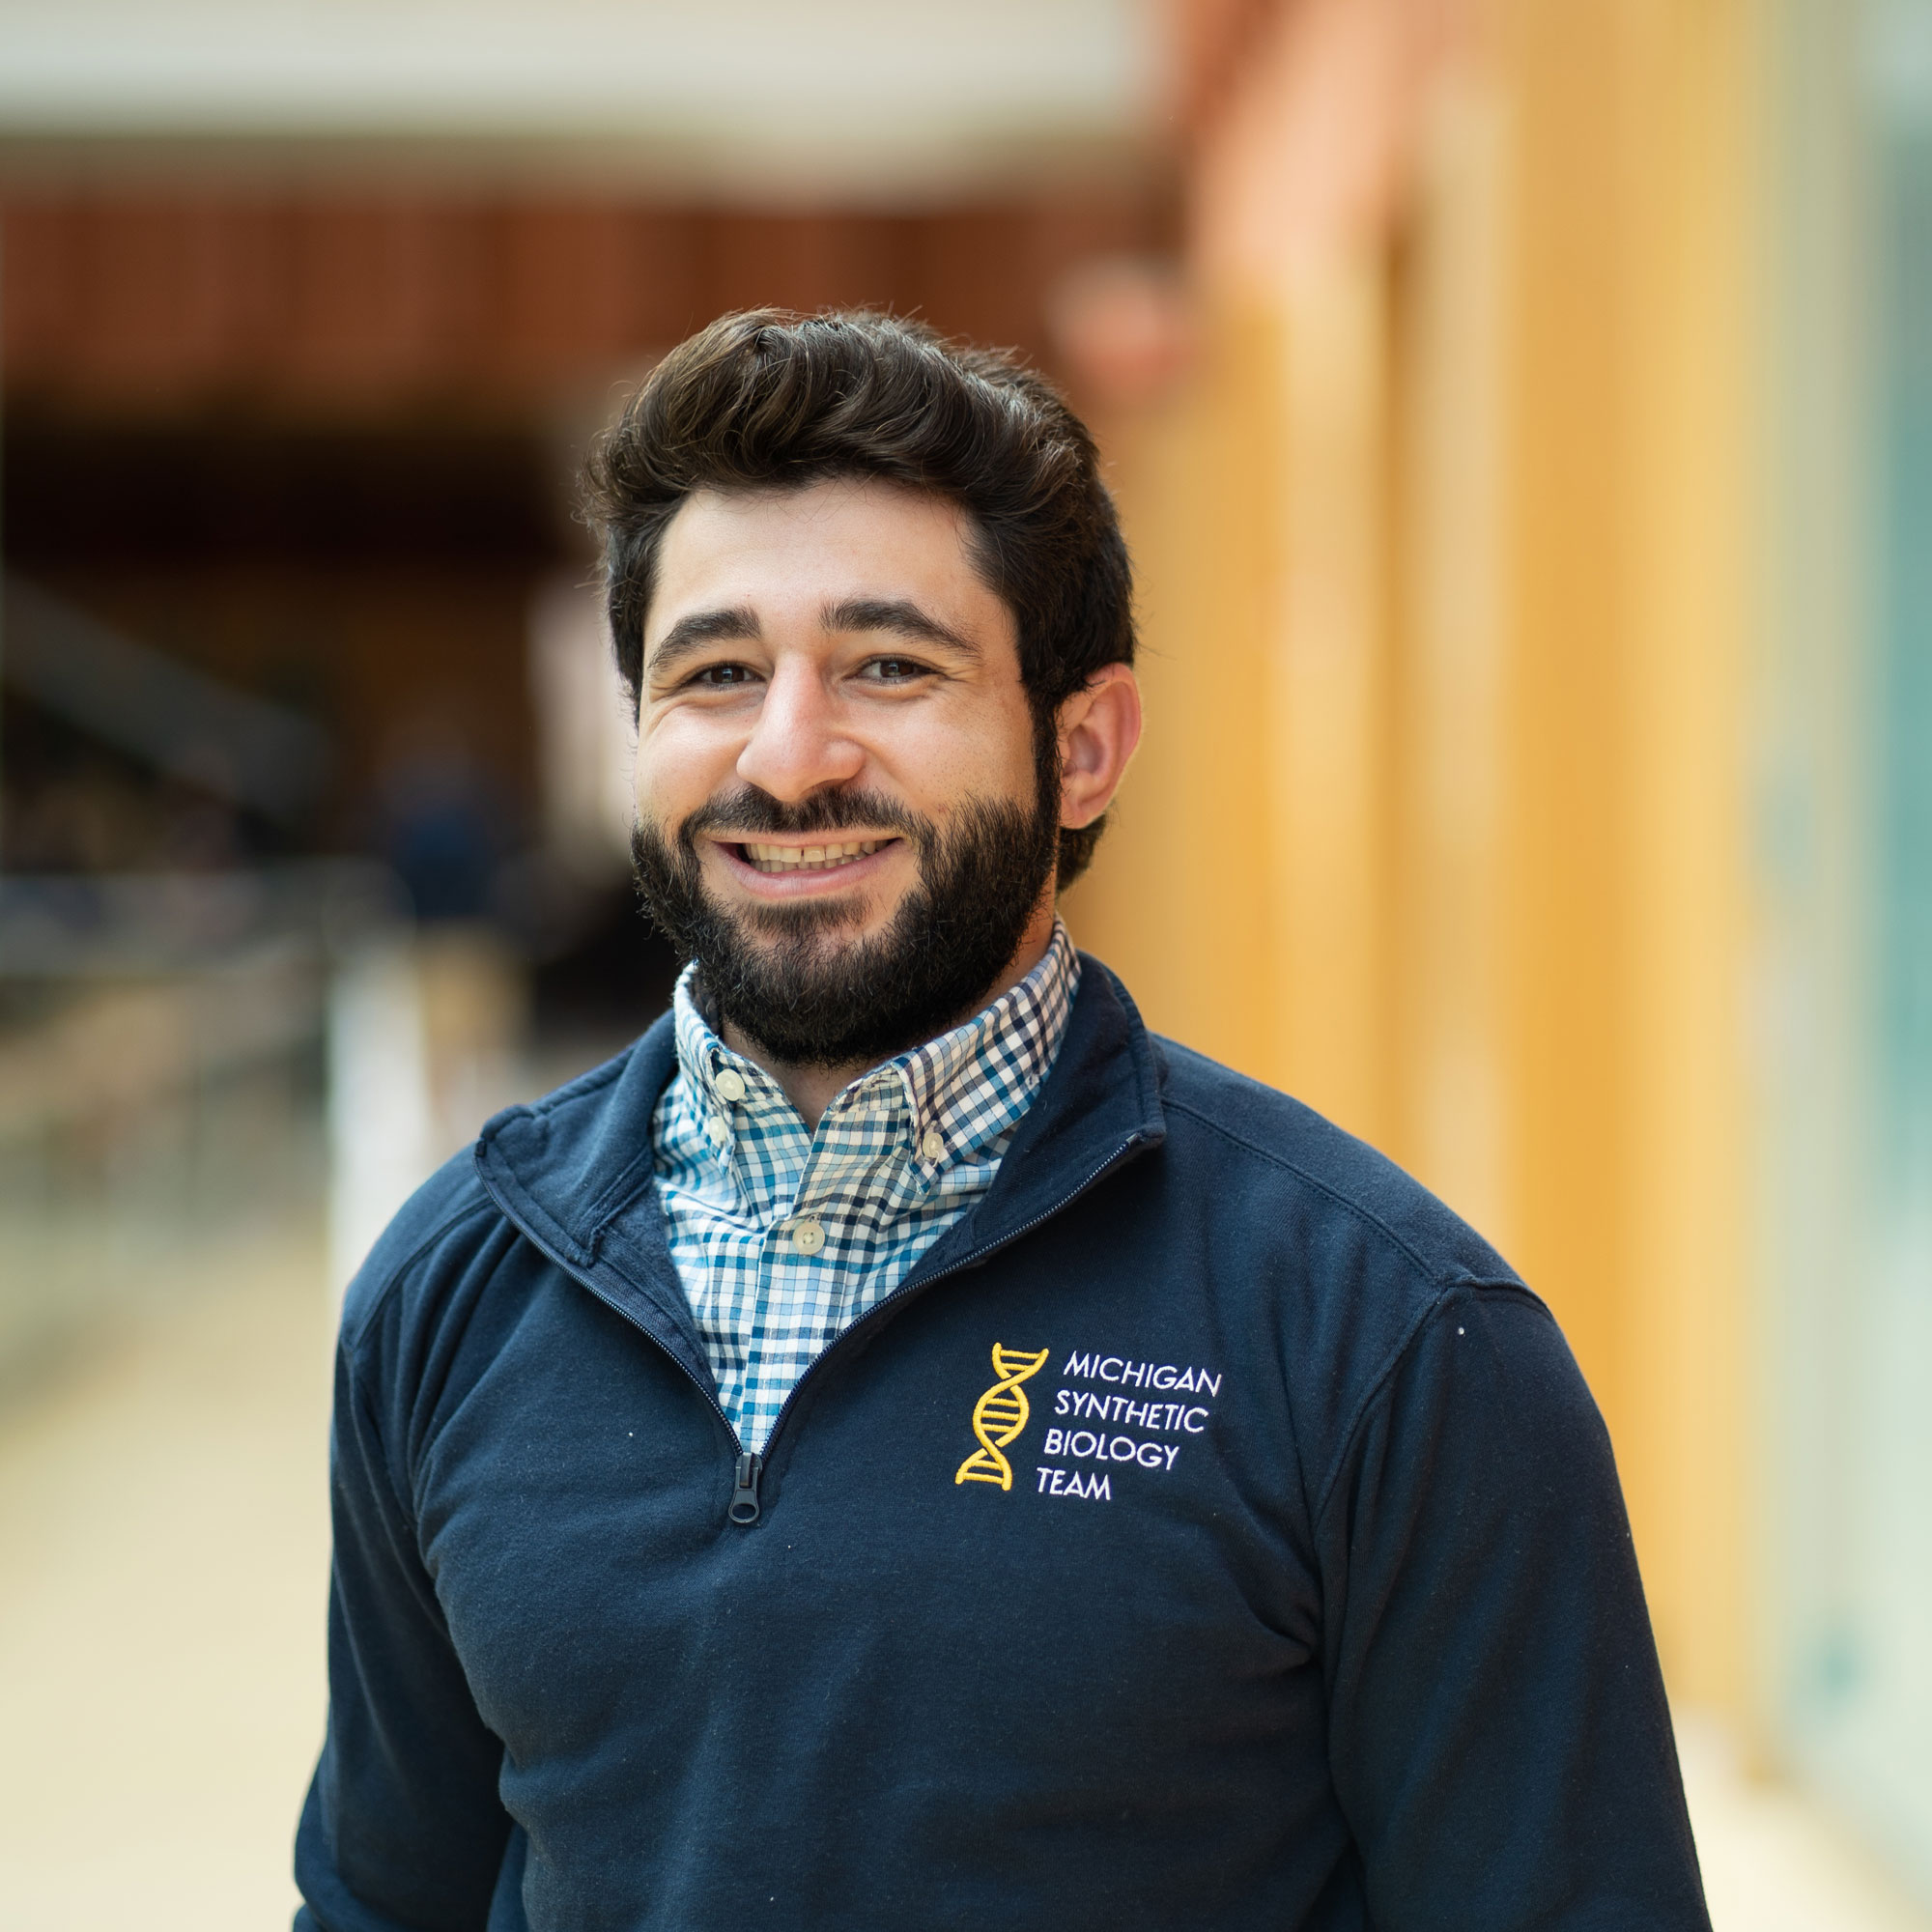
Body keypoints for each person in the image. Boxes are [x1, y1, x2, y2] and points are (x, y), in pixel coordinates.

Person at [296, 310, 1710, 1932]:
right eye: (716, 674)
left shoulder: (1389, 1339)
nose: (788, 755)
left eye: (890, 665)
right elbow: (380, 1901)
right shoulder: (451, 1291)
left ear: (1084, 747)